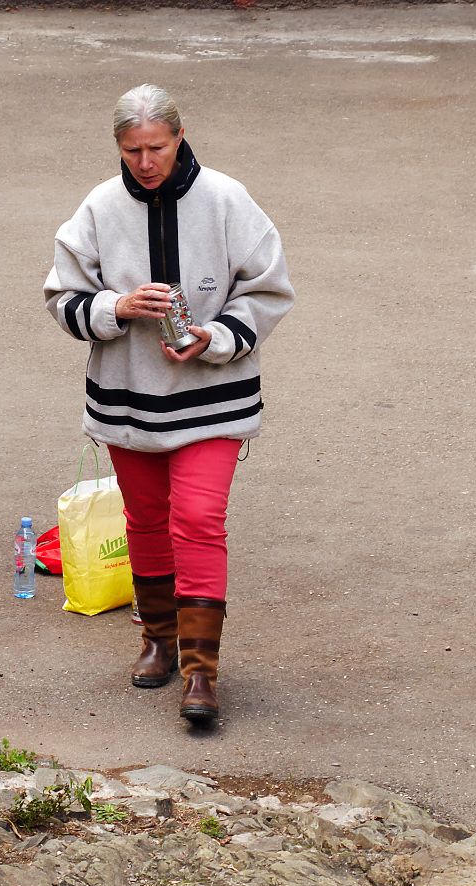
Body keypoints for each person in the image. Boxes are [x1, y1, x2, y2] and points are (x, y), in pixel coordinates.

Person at [42, 84, 294, 726]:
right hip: (128, 399)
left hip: (215, 397)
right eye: (132, 151)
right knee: (147, 522)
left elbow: (267, 290)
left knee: (200, 521)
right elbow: (62, 296)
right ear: (118, 148)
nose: (146, 162)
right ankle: (156, 640)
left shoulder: (228, 199)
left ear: (180, 137)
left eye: (157, 147)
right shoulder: (99, 206)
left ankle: (201, 672)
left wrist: (216, 338)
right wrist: (115, 308)